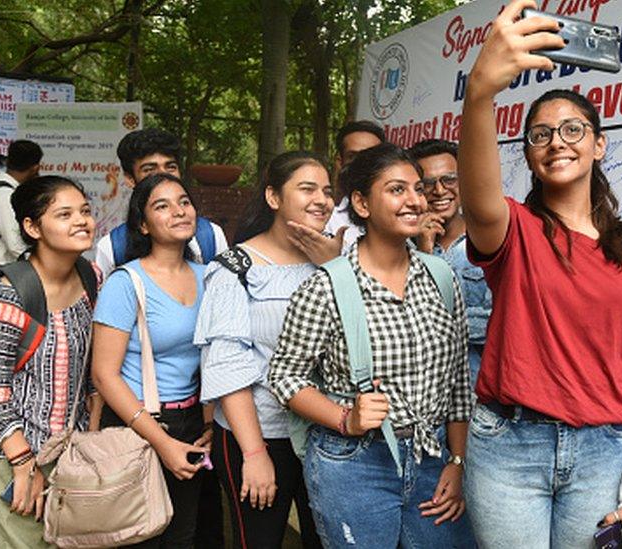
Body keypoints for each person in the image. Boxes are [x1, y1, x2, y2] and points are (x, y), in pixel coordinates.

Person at [457, 2, 622, 548]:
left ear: (598, 145)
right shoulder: (516, 231)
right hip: (510, 448)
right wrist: (479, 92)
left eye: (573, 129)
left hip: (605, 451)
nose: (557, 141)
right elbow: (478, 200)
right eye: (540, 135)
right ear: (530, 157)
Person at [268, 143, 474, 549]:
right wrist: (346, 418)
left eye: (417, 189)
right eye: (397, 190)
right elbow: (284, 376)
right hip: (354, 466)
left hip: (432, 461)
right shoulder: (327, 286)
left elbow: (457, 384)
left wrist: (457, 462)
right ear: (361, 203)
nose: (416, 200)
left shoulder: (442, 278)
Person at [92, 127, 227, 548]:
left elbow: (215, 356)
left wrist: (206, 420)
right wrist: (161, 441)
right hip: (137, 422)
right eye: (163, 206)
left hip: (189, 421)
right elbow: (104, 374)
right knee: (135, 536)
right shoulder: (125, 283)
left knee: (181, 536)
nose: (180, 212)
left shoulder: (212, 278)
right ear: (143, 224)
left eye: (184, 202)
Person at [194, 151, 330, 548]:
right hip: (260, 434)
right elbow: (227, 366)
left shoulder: (335, 263)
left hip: (326, 433)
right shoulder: (235, 267)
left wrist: (336, 267)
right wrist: (253, 453)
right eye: (307, 189)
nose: (321, 199)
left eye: (326, 190)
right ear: (273, 197)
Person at [0, 175, 96, 547]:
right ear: (32, 226)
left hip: (71, 453)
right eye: (65, 214)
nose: (81, 220)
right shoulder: (10, 294)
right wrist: (24, 464)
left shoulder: (91, 278)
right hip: (14, 455)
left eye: (85, 211)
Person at [410, 139, 492, 386]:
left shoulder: (489, 240)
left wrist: (438, 324)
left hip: (478, 392)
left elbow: (499, 322)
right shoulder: (402, 246)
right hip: (422, 392)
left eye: (449, 179)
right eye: (426, 184)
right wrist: (424, 250)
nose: (439, 190)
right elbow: (406, 323)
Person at [94, 128, 229, 278]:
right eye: (149, 170)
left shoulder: (210, 236)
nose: (163, 176)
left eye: (170, 167)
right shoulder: (112, 247)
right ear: (130, 179)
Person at [0, 139, 42, 273]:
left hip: (3, 270)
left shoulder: (2, 188)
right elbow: (15, 244)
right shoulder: (3, 194)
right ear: (35, 168)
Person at [323, 120, 387, 250]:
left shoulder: (404, 214)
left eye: (372, 156)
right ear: (340, 163)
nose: (363, 164)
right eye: (353, 156)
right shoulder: (326, 221)